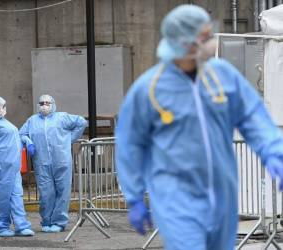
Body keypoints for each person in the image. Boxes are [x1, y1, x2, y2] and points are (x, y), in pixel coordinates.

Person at [115, 4, 283, 250]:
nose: (211, 42)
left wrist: (273, 152)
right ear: (184, 42)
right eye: (205, 37)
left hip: (222, 193)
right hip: (176, 196)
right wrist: (134, 195)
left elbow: (253, 118)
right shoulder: (149, 90)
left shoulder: (222, 76)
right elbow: (130, 145)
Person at [19, 94, 87, 233]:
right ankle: (47, 221)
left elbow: (81, 122)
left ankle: (59, 222)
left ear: (53, 104)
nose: (44, 105)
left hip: (61, 161)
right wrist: (28, 141)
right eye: (42, 103)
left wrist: (70, 139)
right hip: (41, 162)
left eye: (47, 103)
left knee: (63, 192)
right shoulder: (32, 120)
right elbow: (21, 134)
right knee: (46, 193)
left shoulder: (62, 117)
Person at [0, 96, 34, 237]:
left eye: (2, 106)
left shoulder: (6, 123)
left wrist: (25, 140)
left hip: (13, 167)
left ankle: (21, 225)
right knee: (1, 198)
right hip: (0, 168)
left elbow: (14, 137)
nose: (0, 109)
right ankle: (0, 226)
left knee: (17, 196)